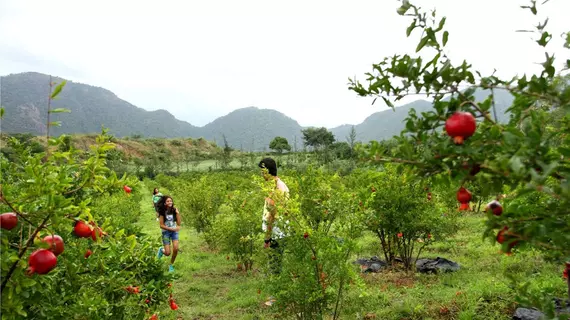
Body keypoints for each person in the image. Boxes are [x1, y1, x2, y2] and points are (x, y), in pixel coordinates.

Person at [156, 195, 181, 273]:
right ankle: (161, 250)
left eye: (171, 201)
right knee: (167, 253)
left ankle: (171, 265)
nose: (170, 202)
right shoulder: (162, 212)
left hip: (174, 233)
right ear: (164, 203)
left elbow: (179, 223)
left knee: (176, 248)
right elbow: (161, 225)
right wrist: (172, 229)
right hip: (166, 233)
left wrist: (177, 213)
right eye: (168, 201)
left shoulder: (174, 210)